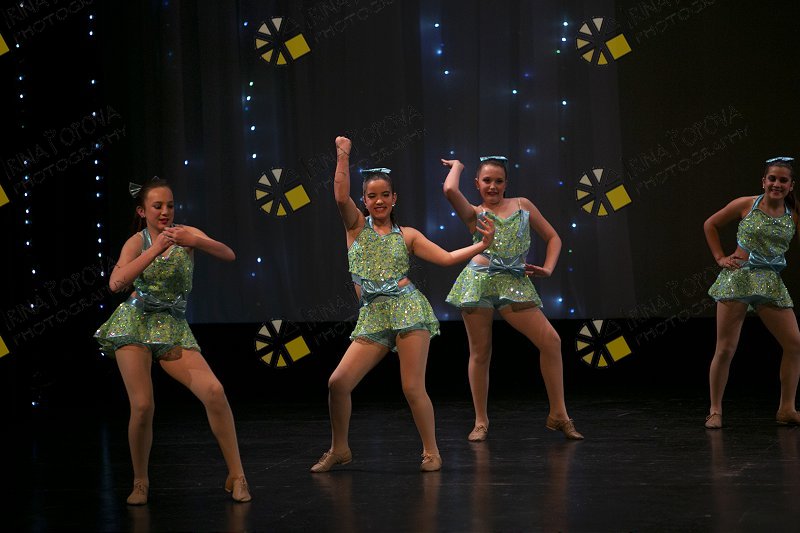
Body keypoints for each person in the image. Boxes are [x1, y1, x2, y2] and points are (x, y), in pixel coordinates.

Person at [309, 136, 495, 473]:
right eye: (372, 196)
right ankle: (340, 448)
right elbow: (339, 195)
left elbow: (446, 258)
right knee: (338, 383)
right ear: (364, 201)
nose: (378, 201)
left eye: (385, 195)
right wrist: (343, 154)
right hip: (373, 316)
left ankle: (431, 451)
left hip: (408, 311)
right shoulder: (355, 227)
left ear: (394, 198)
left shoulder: (407, 235)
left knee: (412, 386)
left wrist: (481, 245)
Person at [95, 177, 251, 504]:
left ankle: (237, 475)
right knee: (142, 405)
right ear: (142, 211)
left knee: (214, 391)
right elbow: (116, 283)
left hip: (171, 326)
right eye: (157, 206)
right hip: (135, 322)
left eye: (169, 205)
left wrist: (194, 240)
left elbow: (229, 254)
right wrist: (155, 249)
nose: (165, 211)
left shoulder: (186, 234)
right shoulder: (137, 242)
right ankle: (140, 482)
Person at [441, 157, 583, 441]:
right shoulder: (474, 213)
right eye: (487, 181)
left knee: (551, 341)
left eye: (498, 181)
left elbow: (553, 237)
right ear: (477, 184)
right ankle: (480, 421)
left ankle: (559, 414)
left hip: (514, 281)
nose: (492, 186)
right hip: (478, 282)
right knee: (481, 352)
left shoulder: (522, 205)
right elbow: (449, 190)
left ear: (506, 183)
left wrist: (548, 268)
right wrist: (457, 166)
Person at [704, 156, 800, 429]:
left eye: (783, 180)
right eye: (772, 179)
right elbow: (710, 224)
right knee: (725, 348)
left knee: (795, 345)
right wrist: (720, 257)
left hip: (770, 283)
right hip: (740, 279)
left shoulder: (793, 214)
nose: (777, 184)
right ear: (763, 181)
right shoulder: (746, 204)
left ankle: (787, 409)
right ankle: (715, 410)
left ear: (791, 185)